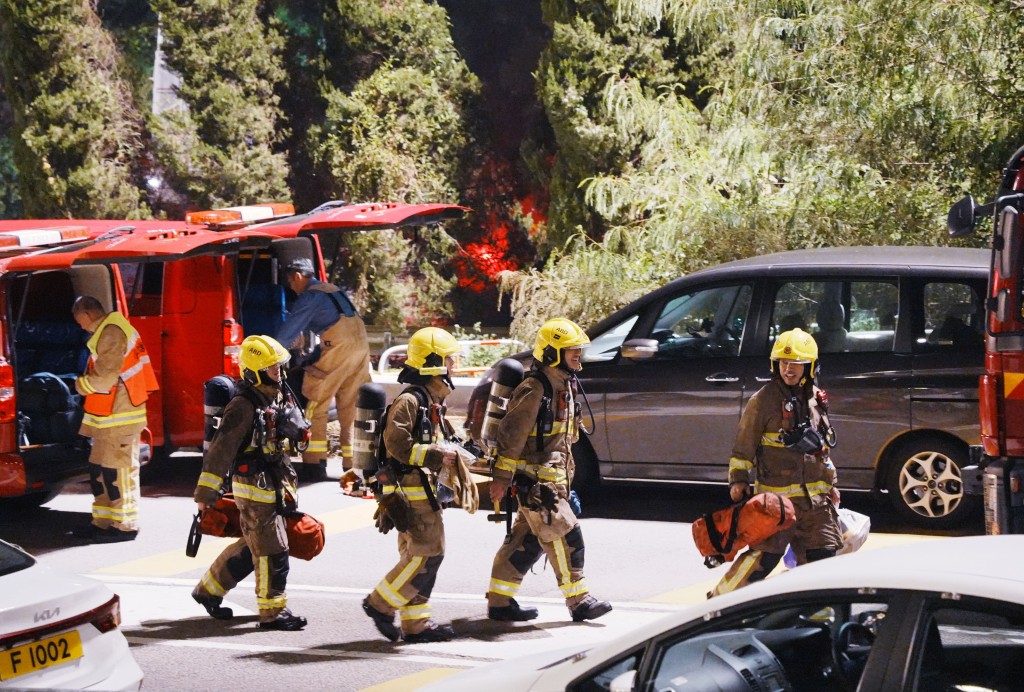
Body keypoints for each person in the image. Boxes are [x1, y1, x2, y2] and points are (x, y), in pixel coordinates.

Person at [485, 318, 612, 623]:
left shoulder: (562, 385)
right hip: (537, 485)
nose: (578, 355)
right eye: (572, 350)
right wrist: (501, 479)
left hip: (552, 483)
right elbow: (511, 437)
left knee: (525, 543)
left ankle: (499, 602)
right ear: (553, 353)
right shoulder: (534, 389)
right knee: (567, 536)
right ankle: (579, 601)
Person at [710, 328, 842, 597]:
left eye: (796, 363)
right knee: (762, 558)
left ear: (810, 366)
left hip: (816, 505)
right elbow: (743, 445)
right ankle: (718, 604)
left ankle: (816, 614)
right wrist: (738, 480)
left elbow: (823, 449)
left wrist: (832, 485)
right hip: (777, 504)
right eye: (783, 362)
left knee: (823, 560)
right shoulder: (763, 400)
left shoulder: (816, 399)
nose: (788, 369)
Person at [191, 335, 308, 631]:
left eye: (280, 367)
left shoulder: (276, 395)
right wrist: (206, 494)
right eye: (272, 368)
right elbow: (221, 451)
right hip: (255, 486)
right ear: (255, 372)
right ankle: (272, 612)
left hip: (276, 483)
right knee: (273, 549)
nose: (279, 373)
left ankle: (208, 591)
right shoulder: (243, 406)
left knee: (253, 545)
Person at [362, 327, 463, 643]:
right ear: (434, 363)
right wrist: (437, 456)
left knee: (418, 556)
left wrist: (464, 449)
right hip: (412, 491)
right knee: (428, 554)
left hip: (423, 491)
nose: (454, 365)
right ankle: (380, 603)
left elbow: (439, 438)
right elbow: (396, 444)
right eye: (450, 359)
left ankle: (415, 625)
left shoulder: (431, 400)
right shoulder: (410, 400)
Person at [71, 296, 158, 543]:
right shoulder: (109, 331)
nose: (79, 326)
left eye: (79, 320)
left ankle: (125, 526)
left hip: (121, 418)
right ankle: (103, 521)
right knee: (101, 470)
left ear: (86, 315)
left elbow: (103, 379)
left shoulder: (111, 333)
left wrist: (79, 385)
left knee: (118, 472)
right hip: (110, 418)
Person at [276, 257, 371, 482]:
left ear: (298, 276)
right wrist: (312, 356)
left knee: (315, 403)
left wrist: (270, 353)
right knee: (351, 407)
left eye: (291, 282)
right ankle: (353, 465)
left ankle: (314, 463)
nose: (292, 288)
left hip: (339, 348)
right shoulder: (333, 290)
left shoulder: (311, 296)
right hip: (361, 349)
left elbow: (290, 330)